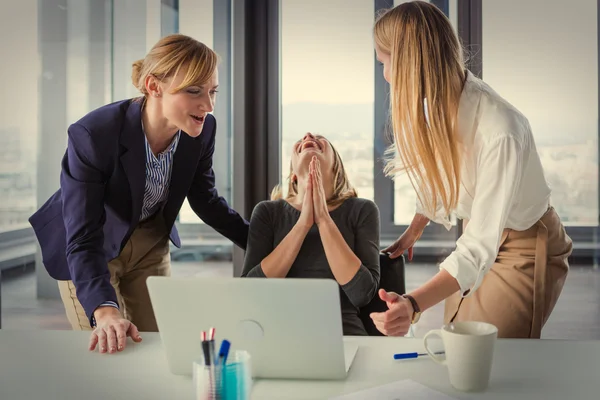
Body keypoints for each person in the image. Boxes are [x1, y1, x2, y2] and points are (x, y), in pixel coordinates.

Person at [29, 34, 249, 353]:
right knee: (111, 349)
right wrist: (105, 311)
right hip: (93, 243)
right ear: (153, 85)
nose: (208, 105)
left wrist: (265, 244)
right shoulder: (94, 134)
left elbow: (207, 201)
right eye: (194, 91)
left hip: (150, 242)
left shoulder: (201, 131)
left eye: (213, 91)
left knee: (158, 349)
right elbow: (83, 236)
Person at [370, 1, 572, 338]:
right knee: (458, 344)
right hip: (484, 234)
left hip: (524, 244)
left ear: (409, 65)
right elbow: (447, 173)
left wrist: (412, 305)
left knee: (490, 358)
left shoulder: (499, 130)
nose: (385, 75)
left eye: (384, 63)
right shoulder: (439, 100)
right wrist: (416, 228)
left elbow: (479, 245)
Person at [241, 133, 380, 336]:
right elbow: (251, 292)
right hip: (277, 333)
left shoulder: (362, 210)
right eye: (302, 140)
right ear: (294, 175)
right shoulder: (268, 212)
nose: (308, 136)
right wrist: (303, 224)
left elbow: (362, 293)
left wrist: (323, 219)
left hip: (343, 332)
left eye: (320, 138)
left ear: (336, 168)